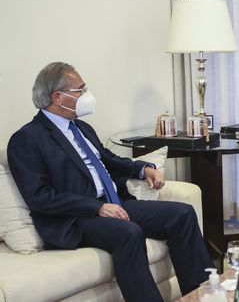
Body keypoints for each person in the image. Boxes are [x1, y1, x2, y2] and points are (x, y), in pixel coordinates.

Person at [7, 62, 213, 302]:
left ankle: (204, 296)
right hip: (75, 218)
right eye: (80, 91)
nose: (86, 96)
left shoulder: (80, 127)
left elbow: (109, 160)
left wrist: (143, 168)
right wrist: (97, 208)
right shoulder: (27, 139)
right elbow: (40, 197)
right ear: (57, 97)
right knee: (129, 233)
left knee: (183, 214)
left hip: (113, 203)